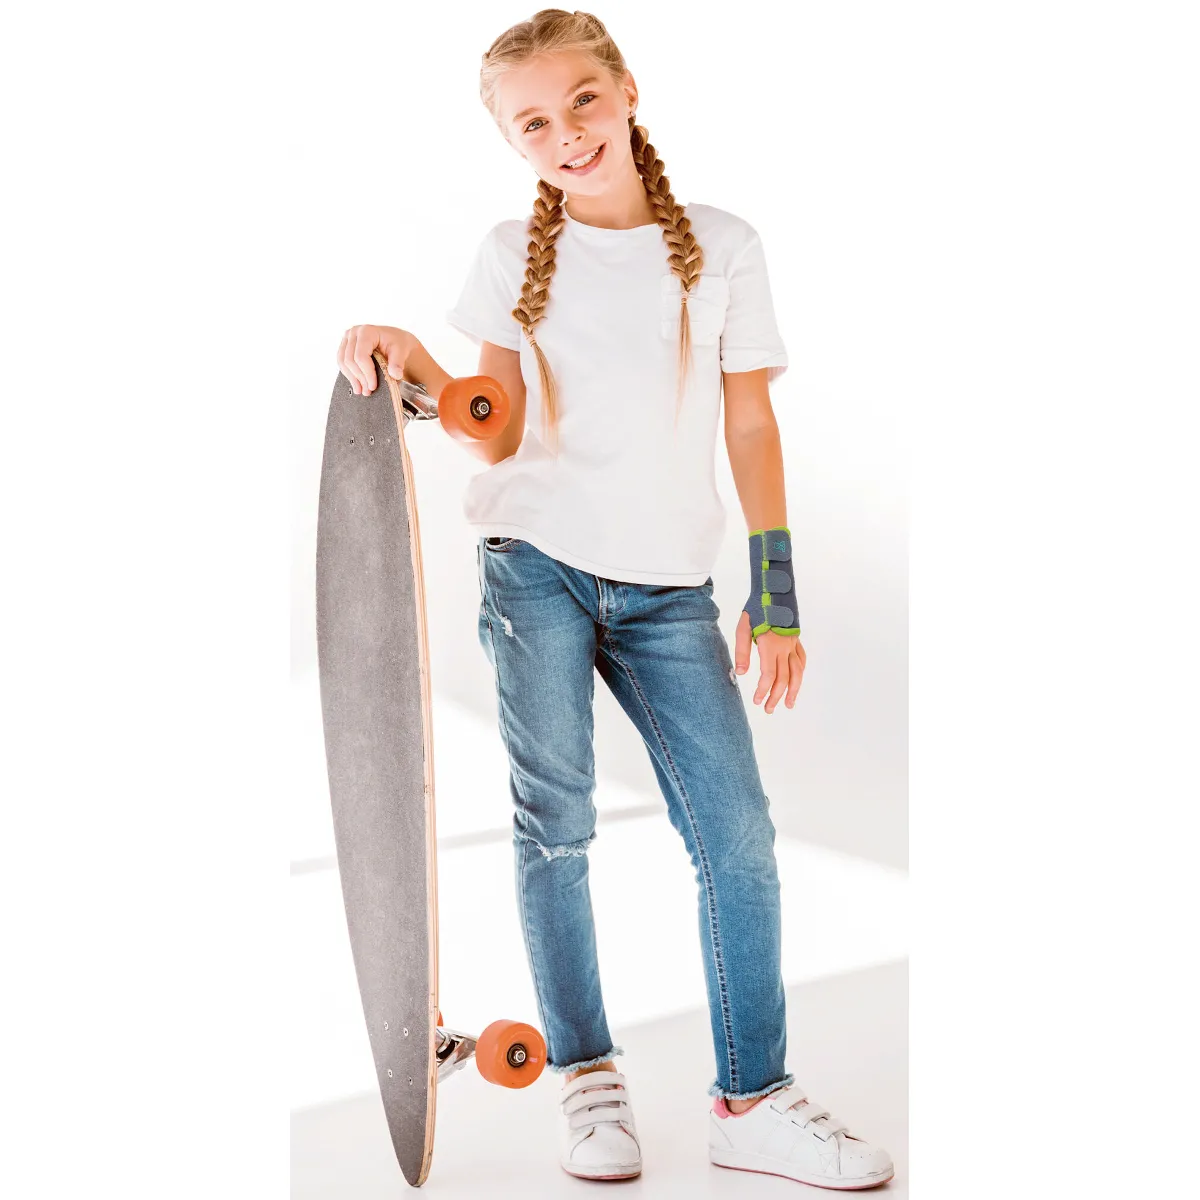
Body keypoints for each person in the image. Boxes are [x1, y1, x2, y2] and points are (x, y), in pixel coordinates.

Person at [336, 8, 893, 1190]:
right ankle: (587, 1080)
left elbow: (751, 423)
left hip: (668, 589)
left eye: (581, 101)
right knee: (557, 827)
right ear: (513, 143)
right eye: (533, 124)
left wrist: (776, 595)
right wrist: (419, 367)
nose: (567, 134)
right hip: (532, 565)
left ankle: (753, 1099)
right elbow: (498, 433)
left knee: (736, 836)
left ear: (627, 89)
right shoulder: (508, 252)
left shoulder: (725, 246)